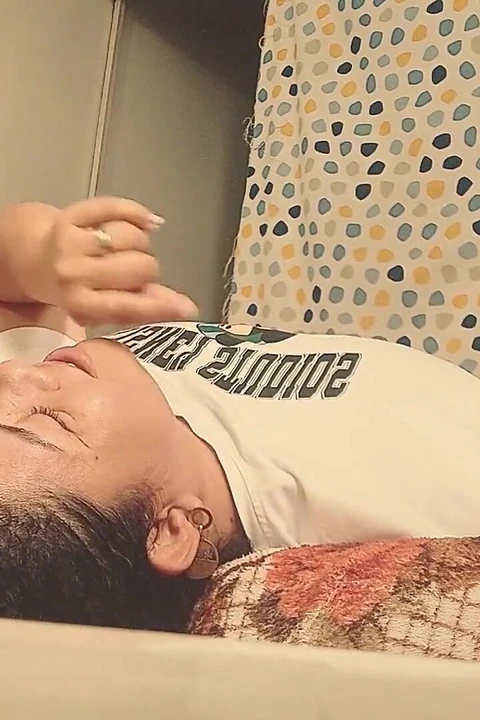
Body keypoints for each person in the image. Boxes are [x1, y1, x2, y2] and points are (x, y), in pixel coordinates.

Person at [0, 196, 480, 632]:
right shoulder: (364, 507)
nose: (17, 374)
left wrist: (43, 255)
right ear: (172, 528)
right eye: (50, 420)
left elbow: (12, 288)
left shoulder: (72, 406)